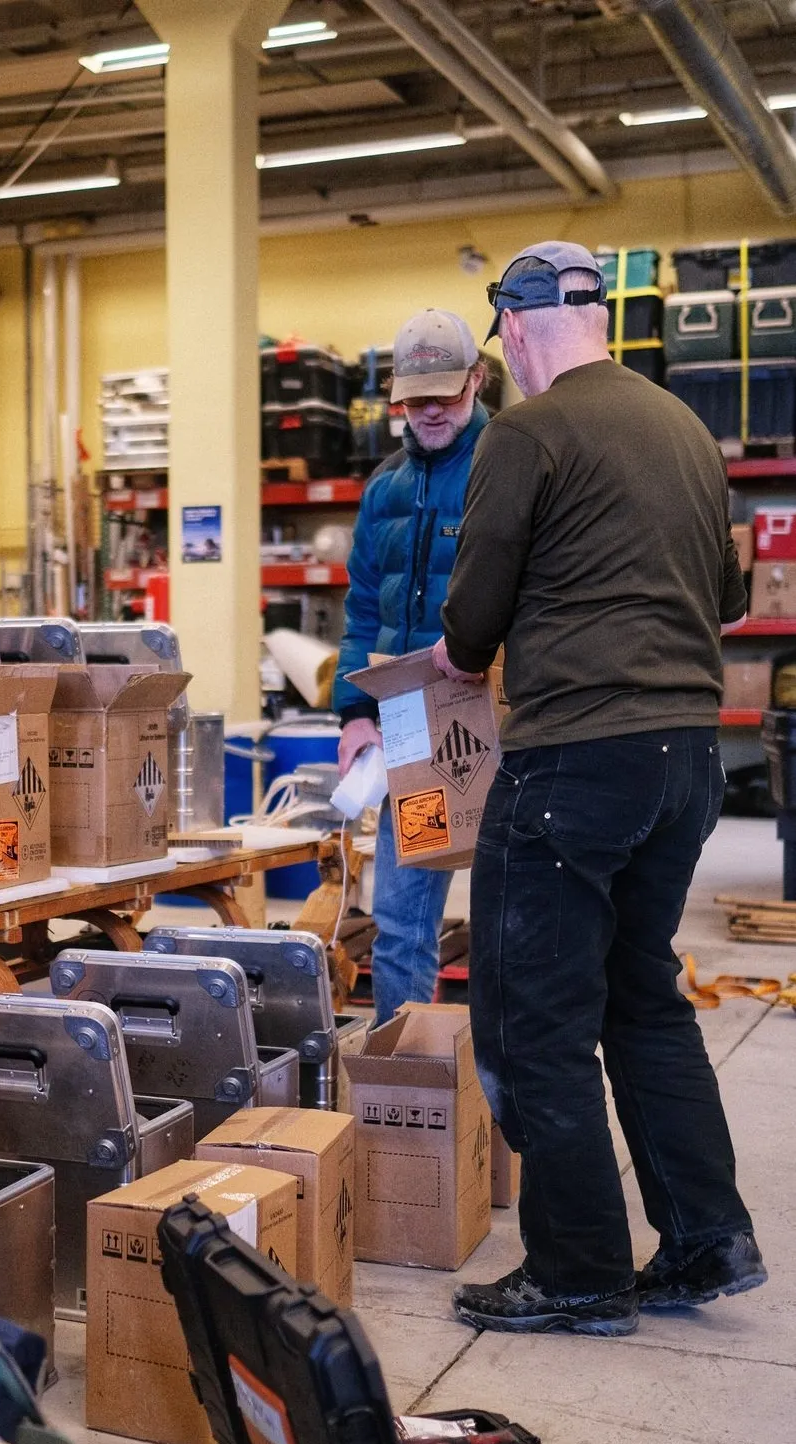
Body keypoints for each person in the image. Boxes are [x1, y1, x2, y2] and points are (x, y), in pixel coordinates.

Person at [436, 240, 765, 1338]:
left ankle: (576, 1271)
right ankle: (705, 1235)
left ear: (520, 328)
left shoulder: (526, 430)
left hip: (572, 758)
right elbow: (722, 593)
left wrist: (450, 659)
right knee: (643, 1001)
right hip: (685, 757)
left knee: (536, 1018)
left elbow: (475, 609)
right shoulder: (683, 428)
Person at [332, 309, 489, 1026]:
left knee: (512, 927)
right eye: (414, 396)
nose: (428, 411)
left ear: (477, 380)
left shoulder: (506, 467)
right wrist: (354, 714)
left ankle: (496, 1099)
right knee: (398, 924)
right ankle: (405, 1084)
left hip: (495, 726)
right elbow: (362, 608)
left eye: (445, 395)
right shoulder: (383, 489)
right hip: (407, 729)